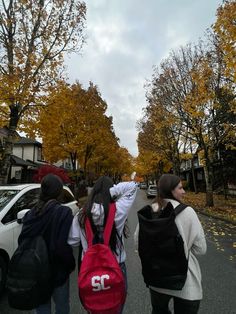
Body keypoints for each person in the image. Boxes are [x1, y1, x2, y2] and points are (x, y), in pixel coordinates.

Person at [135, 174, 207, 314]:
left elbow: (138, 243)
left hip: (157, 280)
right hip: (185, 282)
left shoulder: (150, 210)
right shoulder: (188, 212)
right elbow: (201, 249)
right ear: (171, 190)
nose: (184, 191)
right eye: (180, 188)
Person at [67, 174, 138, 313]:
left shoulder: (82, 214)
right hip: (116, 266)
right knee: (114, 305)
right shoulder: (118, 210)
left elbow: (73, 241)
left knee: (94, 306)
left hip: (90, 269)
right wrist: (111, 192)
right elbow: (133, 186)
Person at [18, 174, 75, 314]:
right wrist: (71, 265)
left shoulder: (31, 214)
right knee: (62, 306)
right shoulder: (63, 212)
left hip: (36, 270)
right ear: (58, 191)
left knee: (42, 307)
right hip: (57, 271)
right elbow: (62, 247)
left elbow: (22, 240)